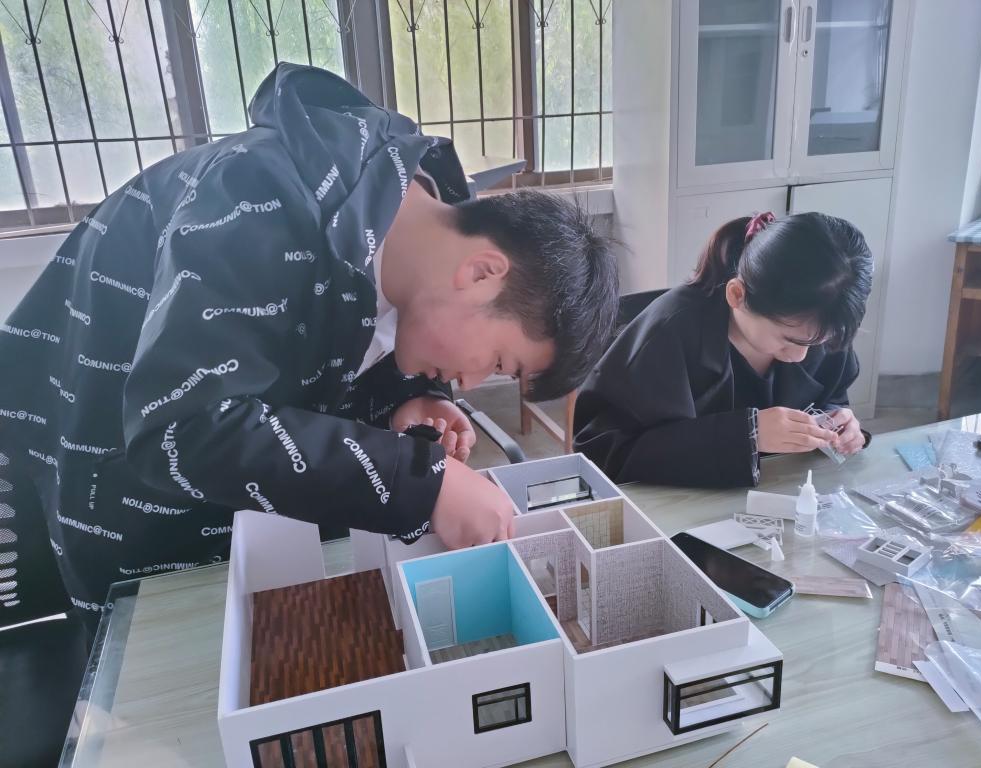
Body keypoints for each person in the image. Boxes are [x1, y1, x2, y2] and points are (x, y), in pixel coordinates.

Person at [0, 62, 619, 636]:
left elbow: (325, 345)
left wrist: (408, 397)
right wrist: (422, 484)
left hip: (237, 525)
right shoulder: (256, 199)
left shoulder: (404, 235)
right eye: (500, 362)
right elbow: (185, 426)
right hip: (134, 518)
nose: (475, 381)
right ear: (482, 273)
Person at [573, 211, 872, 488]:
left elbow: (831, 394)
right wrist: (748, 434)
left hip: (778, 494)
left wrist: (838, 423)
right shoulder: (668, 335)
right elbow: (602, 454)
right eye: (790, 340)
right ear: (737, 294)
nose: (800, 356)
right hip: (678, 507)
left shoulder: (818, 328)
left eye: (816, 343)